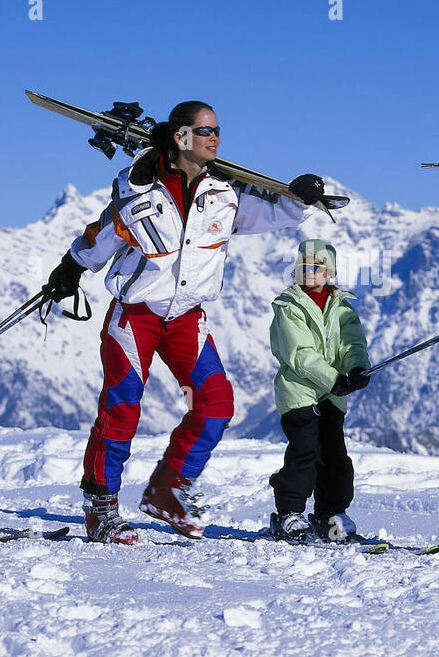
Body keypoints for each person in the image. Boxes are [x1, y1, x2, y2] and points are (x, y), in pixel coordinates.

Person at [42, 100, 328, 544]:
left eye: (218, 130)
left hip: (185, 318)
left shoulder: (224, 195)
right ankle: (101, 507)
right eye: (205, 130)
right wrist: (71, 268)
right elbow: (102, 232)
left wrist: (301, 199)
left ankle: (168, 490)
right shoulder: (141, 193)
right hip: (135, 316)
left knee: (215, 404)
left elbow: (273, 214)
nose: (215, 137)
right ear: (180, 138)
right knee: (121, 408)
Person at [267, 238, 371, 542]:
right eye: (304, 265)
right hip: (298, 392)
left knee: (335, 455)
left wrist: (356, 368)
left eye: (317, 266)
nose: (309, 271)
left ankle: (330, 514)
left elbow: (352, 343)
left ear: (329, 272)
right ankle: (289, 513)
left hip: (331, 396)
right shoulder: (289, 306)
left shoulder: (342, 308)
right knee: (305, 451)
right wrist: (333, 378)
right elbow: (299, 354)